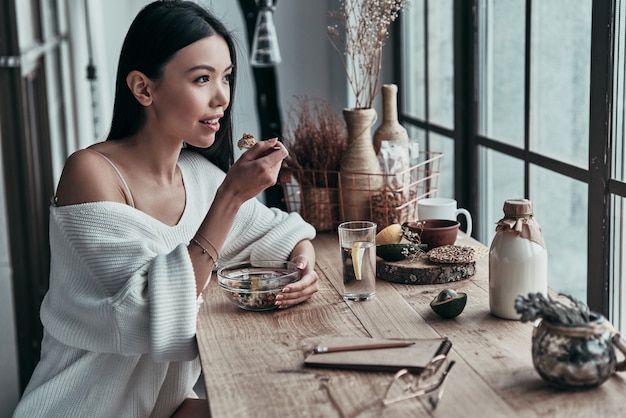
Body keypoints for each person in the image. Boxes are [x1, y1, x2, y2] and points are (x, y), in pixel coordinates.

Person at [12, 1, 318, 417]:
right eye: (202, 79)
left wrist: (302, 269)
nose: (221, 97)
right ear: (143, 88)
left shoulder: (197, 174)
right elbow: (144, 315)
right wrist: (230, 197)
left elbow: (278, 231)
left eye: (226, 77)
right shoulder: (90, 174)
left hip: (163, 408)